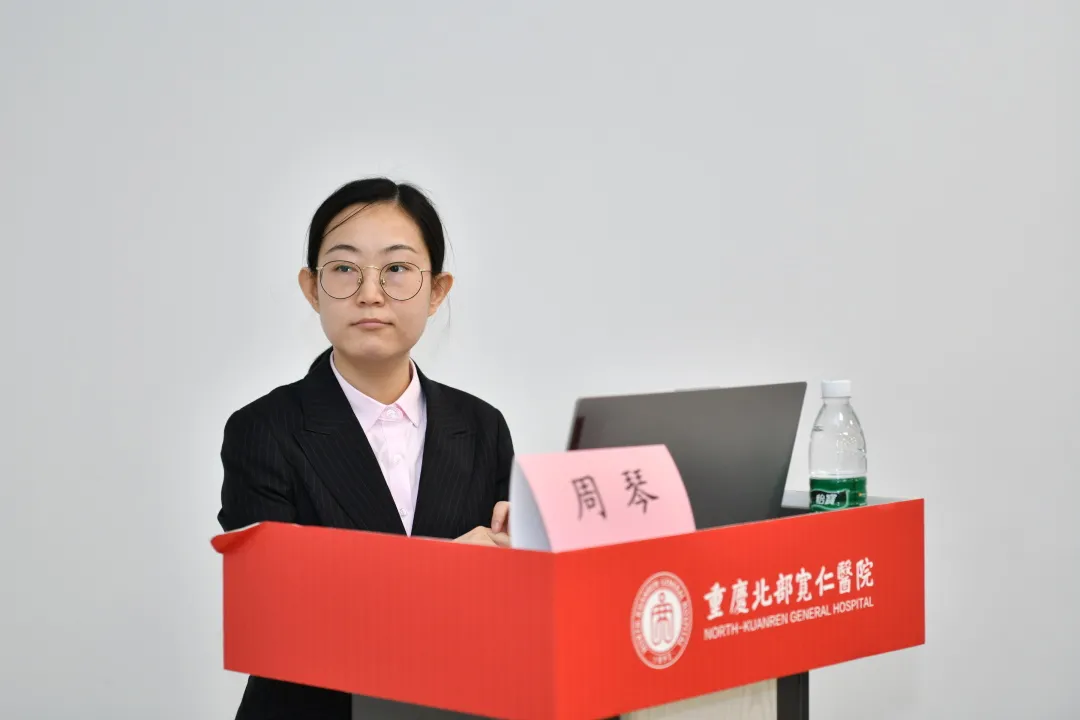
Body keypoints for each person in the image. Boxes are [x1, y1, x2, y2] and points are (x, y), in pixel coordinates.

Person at [217, 177, 514, 719]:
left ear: (437, 290)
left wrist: (528, 553)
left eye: (397, 268)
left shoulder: (482, 426)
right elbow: (273, 615)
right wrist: (445, 572)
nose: (370, 293)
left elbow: (503, 610)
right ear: (312, 289)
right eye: (344, 268)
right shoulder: (264, 430)